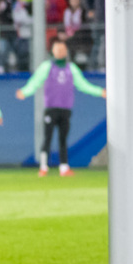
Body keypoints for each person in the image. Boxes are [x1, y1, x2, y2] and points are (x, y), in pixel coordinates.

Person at [16, 37, 105, 176]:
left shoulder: (72, 68)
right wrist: (25, 91)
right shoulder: (47, 66)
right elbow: (36, 81)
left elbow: (83, 85)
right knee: (47, 138)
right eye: (57, 49)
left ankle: (64, 167)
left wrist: (100, 92)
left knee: (63, 139)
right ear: (52, 51)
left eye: (62, 49)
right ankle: (43, 166)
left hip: (66, 109)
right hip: (51, 109)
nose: (60, 51)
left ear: (66, 51)